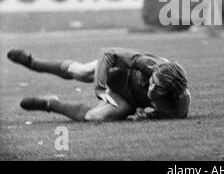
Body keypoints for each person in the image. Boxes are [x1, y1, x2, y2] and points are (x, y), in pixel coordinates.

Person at [7, 47, 191, 121]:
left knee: (95, 117)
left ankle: (49, 103)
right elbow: (108, 53)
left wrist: (146, 116)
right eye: (152, 82)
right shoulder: (148, 64)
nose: (151, 88)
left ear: (172, 93)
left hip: (128, 101)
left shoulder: (178, 108)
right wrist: (100, 87)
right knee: (83, 72)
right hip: (119, 75)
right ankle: (34, 63)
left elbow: (162, 115)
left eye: (158, 89)